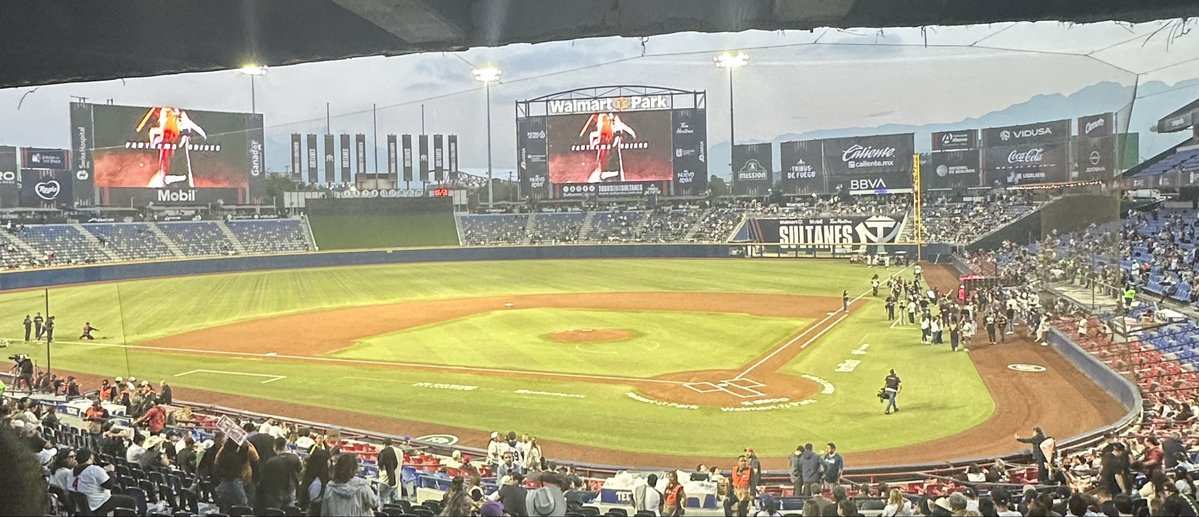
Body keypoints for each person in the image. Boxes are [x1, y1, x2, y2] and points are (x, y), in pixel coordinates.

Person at [72, 448, 137, 516]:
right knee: (130, 501)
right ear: (90, 457)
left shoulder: (73, 471)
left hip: (86, 504)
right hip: (99, 503)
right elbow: (109, 485)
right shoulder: (94, 469)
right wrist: (111, 472)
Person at [258, 437, 303, 513]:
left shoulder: (271, 461)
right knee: (290, 512)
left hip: (275, 492)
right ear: (285, 446)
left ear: (274, 447)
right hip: (291, 490)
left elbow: (264, 479)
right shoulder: (294, 458)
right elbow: (300, 471)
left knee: (275, 512)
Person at [300, 449, 331, 516]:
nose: (329, 462)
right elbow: (315, 509)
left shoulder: (310, 477)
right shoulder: (317, 484)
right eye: (327, 460)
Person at [377, 438, 400, 506]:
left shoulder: (383, 452)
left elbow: (380, 464)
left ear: (384, 444)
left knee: (382, 500)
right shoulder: (399, 452)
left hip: (384, 481)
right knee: (394, 501)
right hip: (396, 480)